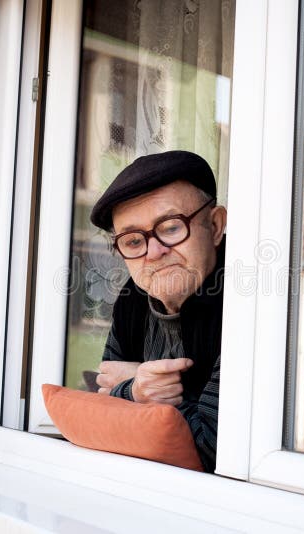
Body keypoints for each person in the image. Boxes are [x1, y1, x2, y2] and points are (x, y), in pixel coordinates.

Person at [89, 150, 227, 473]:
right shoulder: (134, 297)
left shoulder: (241, 307)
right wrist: (137, 385)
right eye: (134, 241)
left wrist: (145, 392)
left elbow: (212, 448)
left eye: (170, 227)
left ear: (215, 225)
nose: (153, 252)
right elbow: (102, 409)